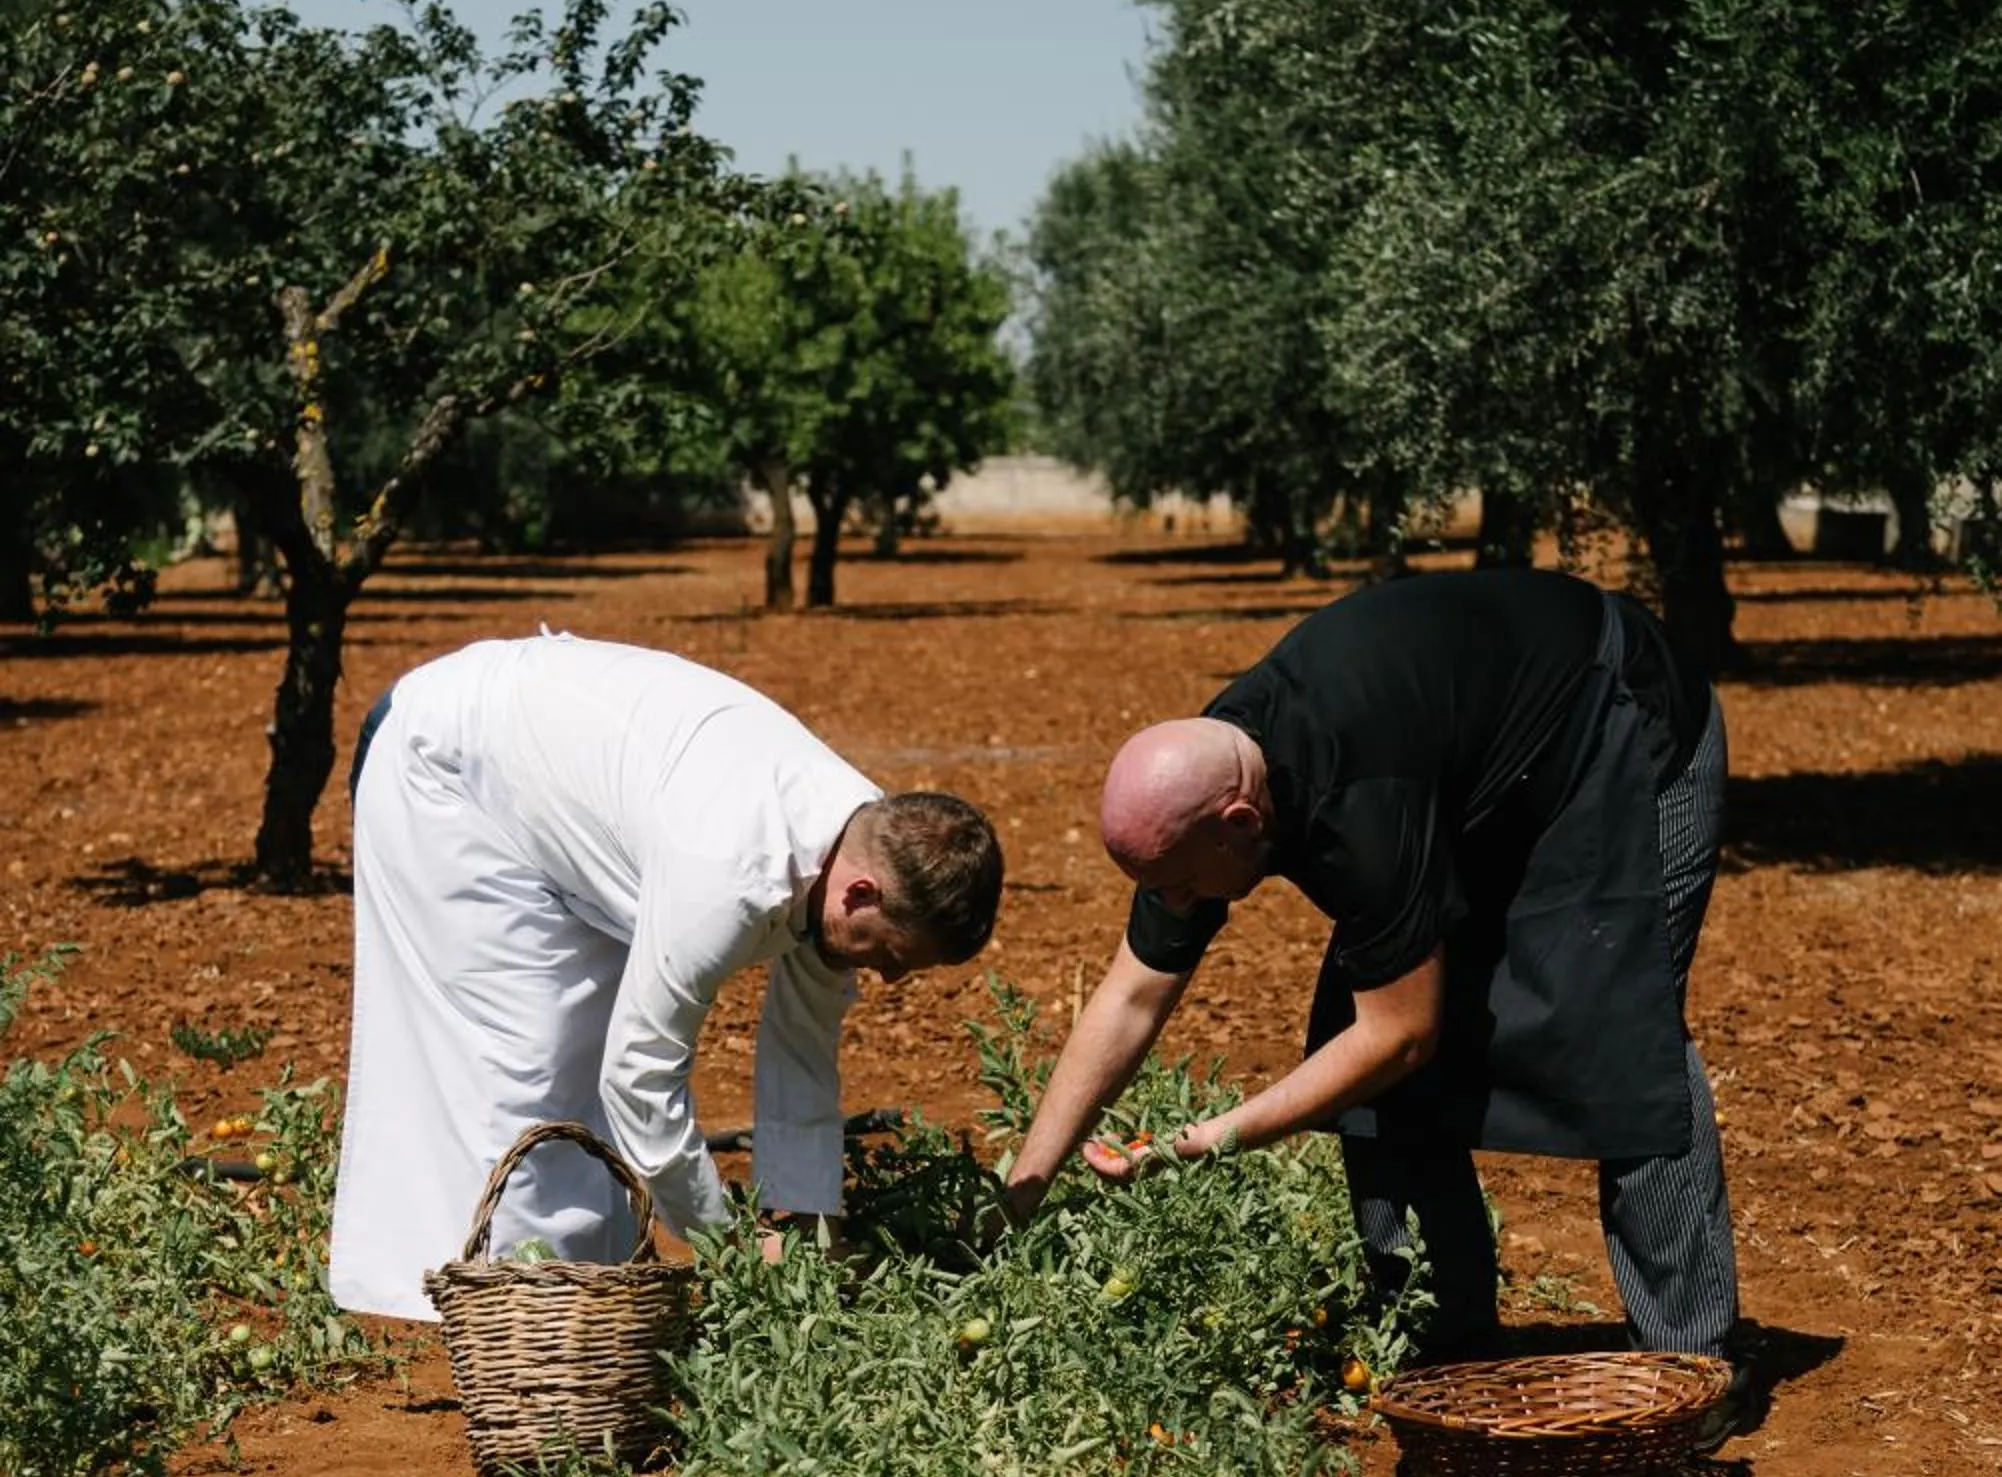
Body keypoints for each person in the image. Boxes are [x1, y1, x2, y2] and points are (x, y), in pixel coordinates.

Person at [1001, 567, 1752, 1430]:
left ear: (1242, 824)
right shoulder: (1207, 779)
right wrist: (1025, 1182)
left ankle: (1696, 1366)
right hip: (1481, 771)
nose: (1174, 903)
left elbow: (1401, 1036)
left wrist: (1214, 1139)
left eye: (1176, 884)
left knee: (1624, 1038)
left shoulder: (1357, 804)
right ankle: (1433, 1326)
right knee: (1348, 1041)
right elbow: (1135, 991)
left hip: (1620, 729)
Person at [330, 630, 1002, 1320]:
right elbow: (640, 1076)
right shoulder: (729, 874)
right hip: (446, 766)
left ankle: (584, 1304)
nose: (888, 980)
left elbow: (802, 1054)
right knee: (530, 1059)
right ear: (861, 895)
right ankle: (497, 1317)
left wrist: (806, 1242)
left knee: (575, 1047)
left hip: (553, 786)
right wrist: (727, 1248)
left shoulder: (863, 844)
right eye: (891, 956)